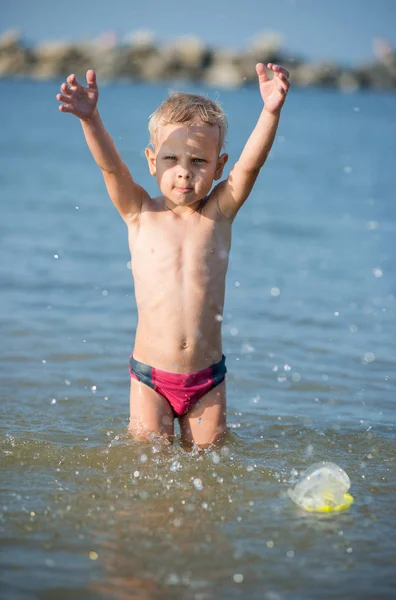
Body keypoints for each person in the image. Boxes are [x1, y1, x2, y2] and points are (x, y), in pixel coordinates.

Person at [56, 62, 290, 447]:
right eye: (171, 159)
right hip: (151, 376)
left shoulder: (219, 213)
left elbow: (251, 165)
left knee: (209, 467)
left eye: (198, 161)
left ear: (218, 166)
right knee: (148, 467)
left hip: (207, 379)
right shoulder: (140, 213)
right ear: (152, 160)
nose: (184, 173)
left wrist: (270, 111)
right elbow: (111, 169)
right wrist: (90, 119)